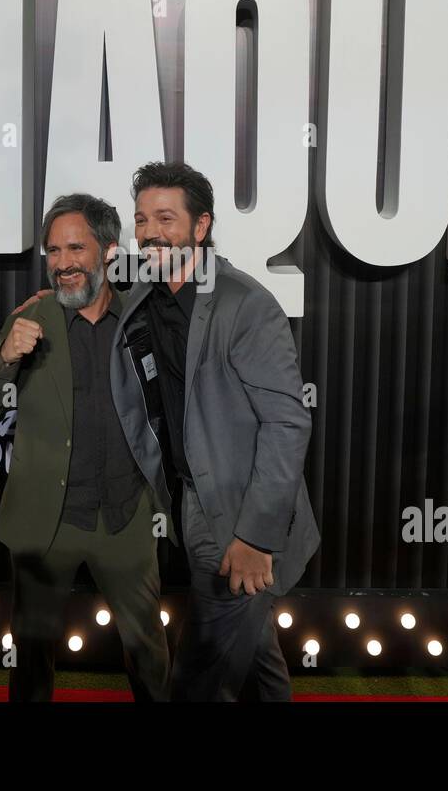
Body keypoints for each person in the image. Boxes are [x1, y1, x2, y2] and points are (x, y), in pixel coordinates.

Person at [112, 161, 320, 701]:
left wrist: (255, 537)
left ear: (200, 227)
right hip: (187, 500)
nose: (150, 231)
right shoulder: (143, 298)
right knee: (254, 656)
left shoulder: (244, 304)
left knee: (200, 677)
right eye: (141, 219)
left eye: (165, 218)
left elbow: (287, 421)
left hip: (235, 514)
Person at [0, 193, 170, 701]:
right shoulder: (30, 320)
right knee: (32, 659)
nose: (62, 264)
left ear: (108, 251)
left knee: (149, 657)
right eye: (53, 252)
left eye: (75, 249)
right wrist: (5, 357)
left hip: (123, 520)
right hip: (45, 524)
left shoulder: (143, 318)